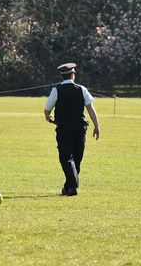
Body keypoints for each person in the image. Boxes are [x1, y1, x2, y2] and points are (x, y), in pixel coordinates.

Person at [43, 63, 101, 196]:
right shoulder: (82, 89)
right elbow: (90, 108)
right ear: (73, 75)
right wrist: (97, 126)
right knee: (76, 158)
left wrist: (48, 117)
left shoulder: (56, 90)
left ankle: (72, 184)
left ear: (61, 76)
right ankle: (69, 187)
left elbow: (47, 109)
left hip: (63, 129)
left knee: (66, 158)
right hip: (80, 129)